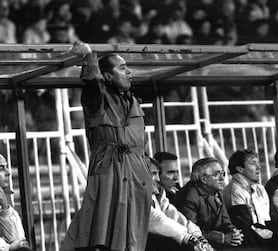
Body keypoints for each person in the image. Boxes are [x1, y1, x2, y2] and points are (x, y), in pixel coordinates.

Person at [60, 41, 152, 251]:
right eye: (122, 68)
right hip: (111, 171)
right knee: (105, 233)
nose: (129, 72)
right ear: (108, 76)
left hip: (137, 175)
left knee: (135, 238)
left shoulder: (134, 101)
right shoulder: (97, 99)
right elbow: (92, 82)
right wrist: (89, 56)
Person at [223, 149, 278, 250]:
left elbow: (271, 218)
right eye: (253, 163)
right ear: (240, 169)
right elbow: (246, 228)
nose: (259, 166)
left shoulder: (259, 188)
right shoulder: (235, 190)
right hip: (251, 241)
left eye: (258, 163)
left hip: (267, 236)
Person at [174, 157, 244, 250]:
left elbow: (226, 221)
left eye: (223, 173)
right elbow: (191, 231)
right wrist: (222, 238)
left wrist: (234, 233)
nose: (222, 178)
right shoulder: (189, 196)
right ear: (204, 179)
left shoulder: (217, 193)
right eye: (217, 174)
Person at [147, 157, 213, 251]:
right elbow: (158, 220)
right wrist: (189, 238)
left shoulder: (158, 194)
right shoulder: (135, 196)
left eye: (158, 173)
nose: (158, 178)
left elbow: (174, 215)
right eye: (153, 173)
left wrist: (197, 236)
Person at [0, 154, 31, 251]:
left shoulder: (10, 210)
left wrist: (5, 208)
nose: (8, 172)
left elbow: (19, 242)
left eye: (6, 167)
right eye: (1, 168)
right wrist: (10, 248)